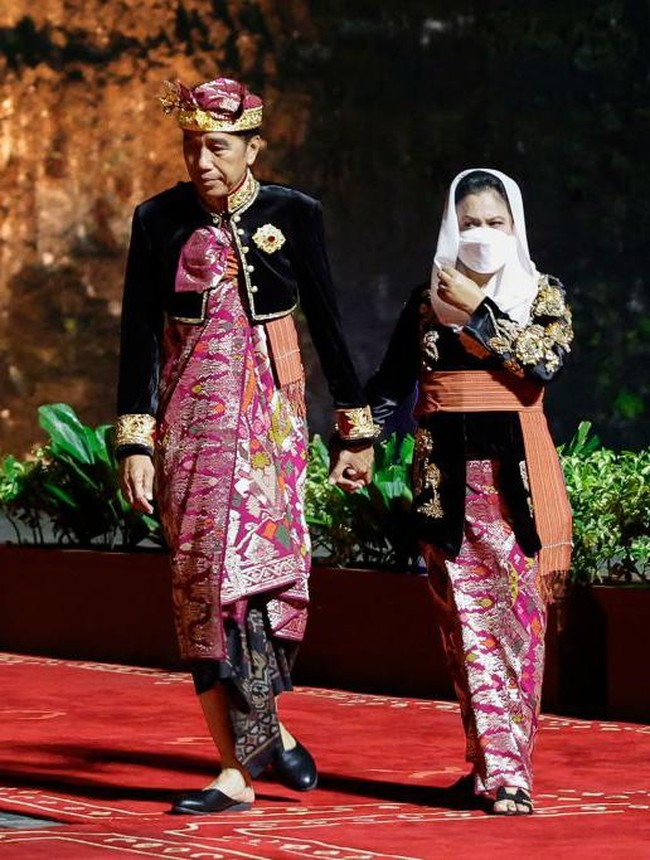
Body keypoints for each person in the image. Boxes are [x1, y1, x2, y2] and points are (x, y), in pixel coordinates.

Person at [115, 77, 374, 815]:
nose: (202, 161)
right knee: (201, 587)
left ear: (254, 146)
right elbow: (136, 336)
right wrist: (134, 442)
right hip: (190, 433)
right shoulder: (157, 220)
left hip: (271, 431)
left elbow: (325, 319)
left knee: (257, 584)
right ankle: (238, 765)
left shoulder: (294, 214)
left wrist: (354, 429)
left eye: (219, 147)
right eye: (191, 146)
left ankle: (264, 733)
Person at [358, 168, 574, 815]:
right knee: (465, 632)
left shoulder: (544, 295)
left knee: (516, 630)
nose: (482, 235)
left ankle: (511, 775)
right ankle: (491, 769)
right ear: (453, 227)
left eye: (496, 223)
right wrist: (356, 438)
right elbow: (390, 383)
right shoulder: (423, 302)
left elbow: (540, 366)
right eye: (471, 223)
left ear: (517, 228)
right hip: (443, 487)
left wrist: (476, 314)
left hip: (518, 488)